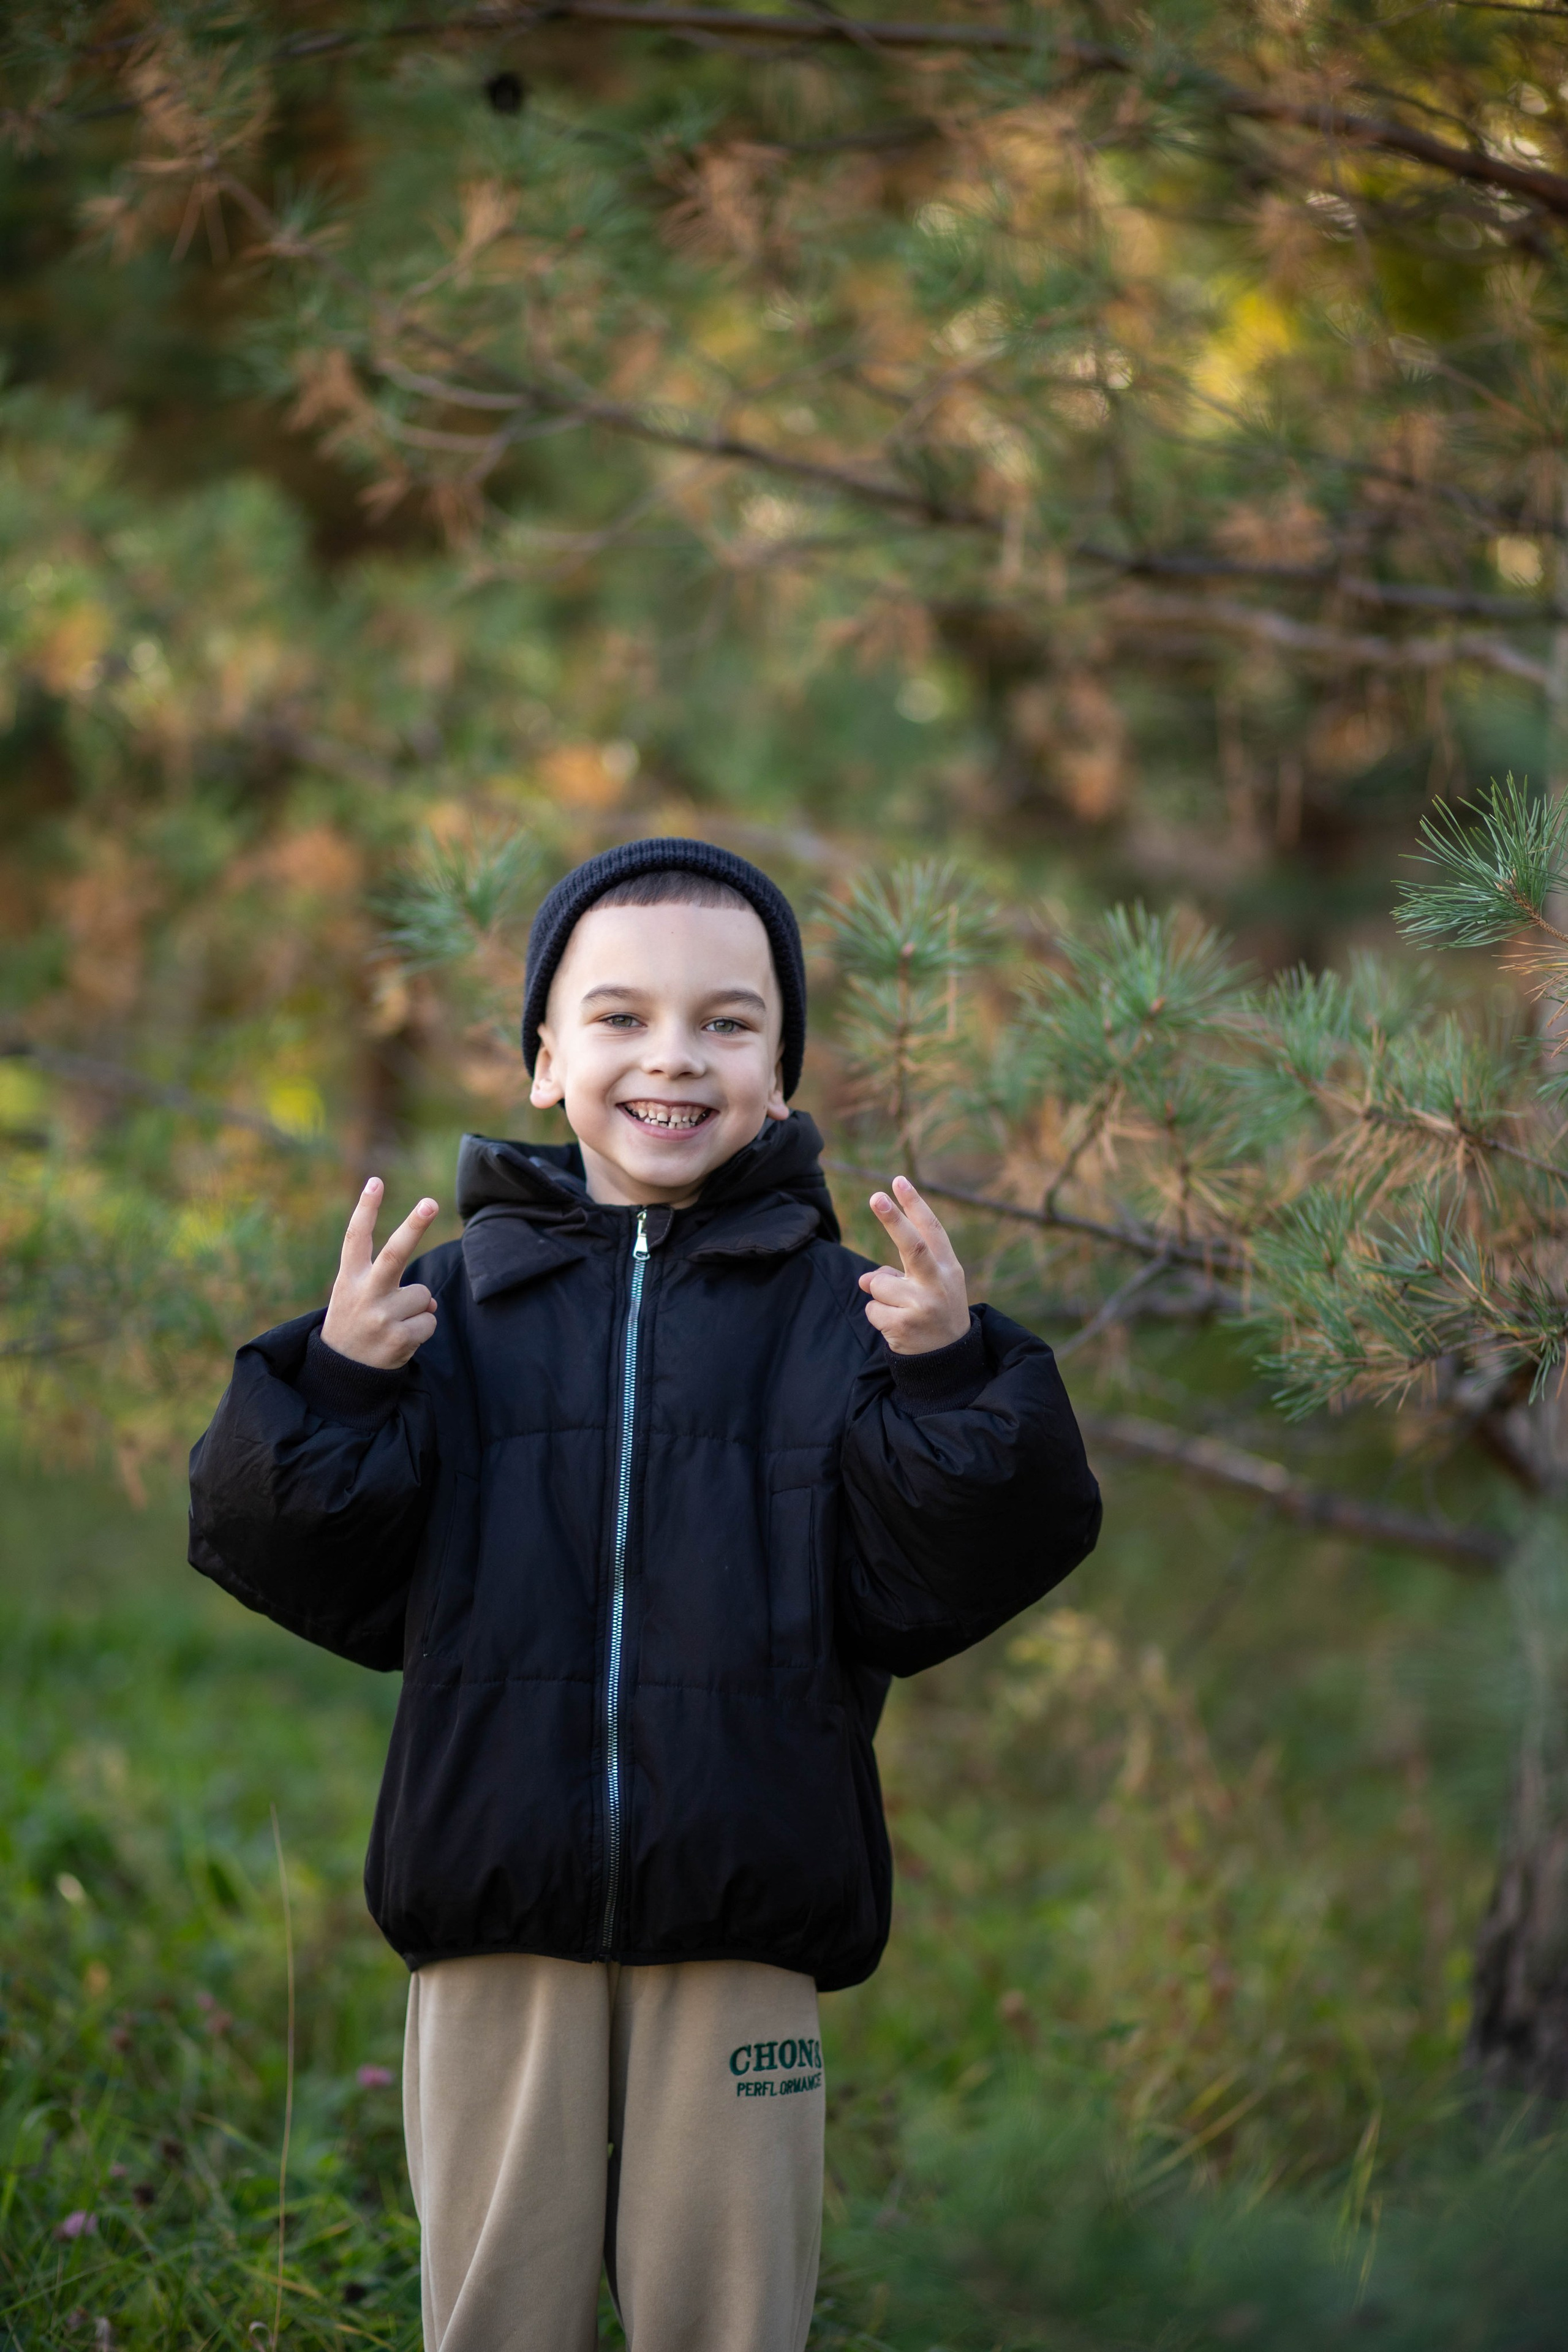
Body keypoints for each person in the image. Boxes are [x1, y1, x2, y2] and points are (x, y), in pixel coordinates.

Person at [189, 836, 1101, 2352]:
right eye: (617, 1018)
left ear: (780, 1074)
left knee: (730, 2320)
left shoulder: (840, 1316)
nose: (670, 1058)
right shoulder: (453, 1311)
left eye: (726, 1023)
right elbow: (296, 1552)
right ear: (543, 1060)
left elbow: (951, 1569)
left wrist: (945, 1372)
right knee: (496, 2314)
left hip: (743, 1921)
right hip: (495, 1917)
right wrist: (339, 1388)